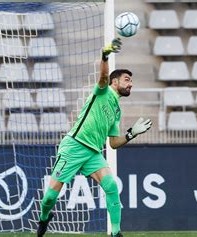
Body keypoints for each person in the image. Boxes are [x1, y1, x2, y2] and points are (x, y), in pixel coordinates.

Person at [36, 38, 152, 237]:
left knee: (111, 186)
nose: (130, 84)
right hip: (74, 146)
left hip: (93, 154)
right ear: (115, 82)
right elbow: (103, 75)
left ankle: (116, 233)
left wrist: (131, 133)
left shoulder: (116, 111)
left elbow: (114, 143)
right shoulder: (103, 91)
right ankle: (45, 218)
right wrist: (105, 55)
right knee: (49, 198)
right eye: (127, 79)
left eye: (131, 81)